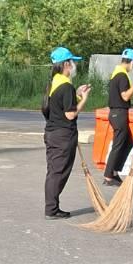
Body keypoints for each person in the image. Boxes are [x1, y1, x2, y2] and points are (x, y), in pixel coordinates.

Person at [41, 46, 90, 220]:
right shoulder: (65, 85)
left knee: (54, 171)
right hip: (63, 135)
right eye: (72, 62)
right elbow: (70, 114)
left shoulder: (55, 82)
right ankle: (51, 209)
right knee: (58, 172)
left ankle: (53, 206)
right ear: (66, 64)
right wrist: (83, 100)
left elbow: (59, 106)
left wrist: (76, 94)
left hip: (53, 132)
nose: (74, 66)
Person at [103, 47, 133, 184]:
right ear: (131, 62)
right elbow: (125, 96)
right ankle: (109, 174)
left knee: (128, 142)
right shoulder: (122, 75)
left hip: (116, 113)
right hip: (118, 114)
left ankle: (114, 170)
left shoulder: (116, 73)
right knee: (119, 144)